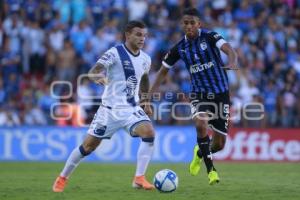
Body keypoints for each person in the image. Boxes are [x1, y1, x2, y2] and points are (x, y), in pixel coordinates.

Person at [52, 20, 155, 192]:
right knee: (88, 147)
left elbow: (144, 79)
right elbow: (94, 70)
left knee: (149, 133)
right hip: (109, 111)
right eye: (138, 34)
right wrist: (96, 76)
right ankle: (62, 177)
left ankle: (139, 178)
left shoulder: (146, 59)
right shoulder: (115, 52)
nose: (142, 38)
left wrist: (145, 101)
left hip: (131, 109)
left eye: (144, 35)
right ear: (127, 34)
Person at [149, 8, 238, 185]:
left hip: (221, 94)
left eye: (192, 23)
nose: (189, 26)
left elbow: (229, 49)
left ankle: (199, 152)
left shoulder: (210, 37)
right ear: (182, 25)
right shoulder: (179, 48)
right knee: (200, 122)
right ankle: (211, 171)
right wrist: (148, 95)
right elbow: (162, 72)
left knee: (219, 144)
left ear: (199, 24)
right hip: (199, 94)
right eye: (185, 23)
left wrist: (233, 61)